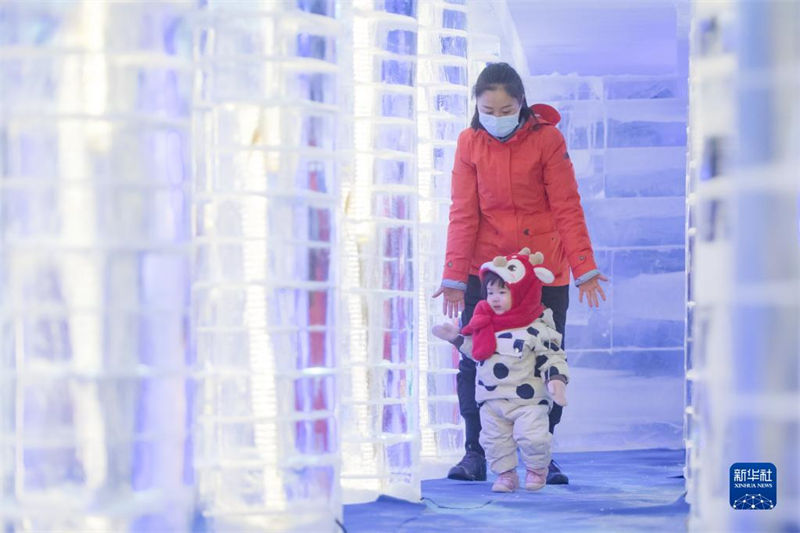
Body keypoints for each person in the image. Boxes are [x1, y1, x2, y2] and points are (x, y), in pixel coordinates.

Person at [432, 62, 607, 484]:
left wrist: (584, 268)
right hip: (487, 271)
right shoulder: (469, 143)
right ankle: (475, 452)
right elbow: (463, 213)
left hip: (542, 270)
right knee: (476, 359)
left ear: (522, 103)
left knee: (545, 359)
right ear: (476, 107)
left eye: (506, 110)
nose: (497, 118)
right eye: (488, 111)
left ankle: (541, 453)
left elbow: (567, 207)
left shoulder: (548, 139)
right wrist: (454, 277)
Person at [432, 249, 568, 492]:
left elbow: (552, 355)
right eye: (491, 292)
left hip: (527, 400)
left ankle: (538, 469)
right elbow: (475, 351)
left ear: (521, 292)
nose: (495, 298)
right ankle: (506, 475)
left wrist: (556, 379)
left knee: (533, 437)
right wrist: (455, 338)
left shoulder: (536, 328)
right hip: (492, 400)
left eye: (503, 292)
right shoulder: (485, 324)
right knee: (495, 442)